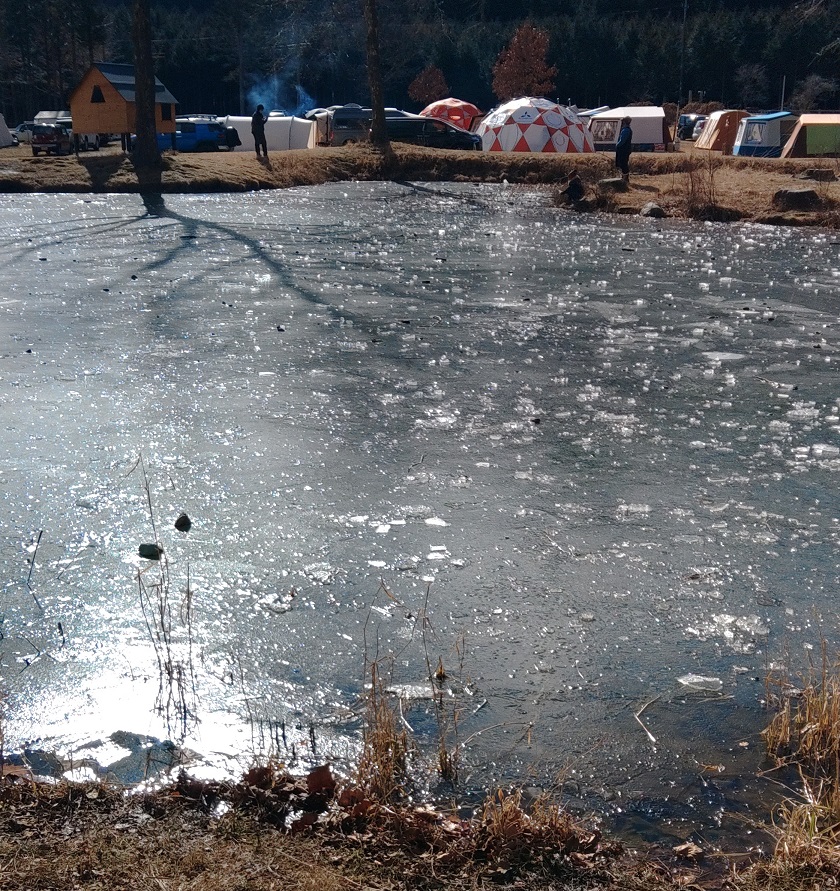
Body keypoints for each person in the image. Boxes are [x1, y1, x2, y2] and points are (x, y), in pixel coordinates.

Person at [615, 116, 632, 183]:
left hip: (623, 149)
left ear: (624, 122)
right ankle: (624, 177)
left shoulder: (626, 130)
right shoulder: (627, 129)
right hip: (626, 149)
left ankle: (625, 179)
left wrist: (617, 145)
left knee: (623, 163)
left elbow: (622, 140)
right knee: (624, 163)